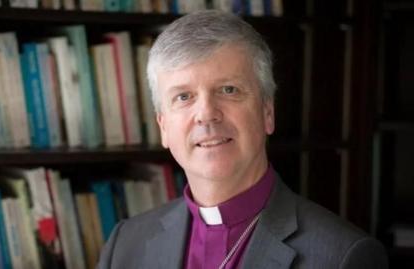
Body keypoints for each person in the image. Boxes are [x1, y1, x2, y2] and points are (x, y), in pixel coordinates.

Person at [97, 10, 388, 269]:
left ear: (267, 112)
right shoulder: (125, 244)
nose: (206, 114)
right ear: (163, 126)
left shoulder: (344, 257)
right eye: (183, 97)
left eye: (228, 90)